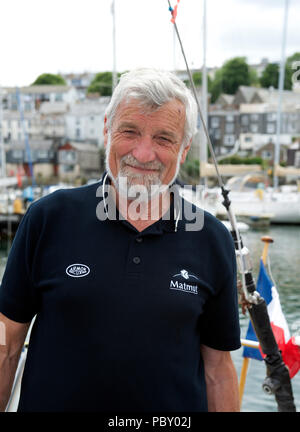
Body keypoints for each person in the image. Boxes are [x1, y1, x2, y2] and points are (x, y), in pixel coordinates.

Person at [0, 68, 241, 412]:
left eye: (163, 139)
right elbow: (6, 345)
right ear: (106, 131)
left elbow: (218, 370)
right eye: (130, 131)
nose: (143, 154)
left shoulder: (211, 239)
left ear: (184, 149)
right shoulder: (47, 219)